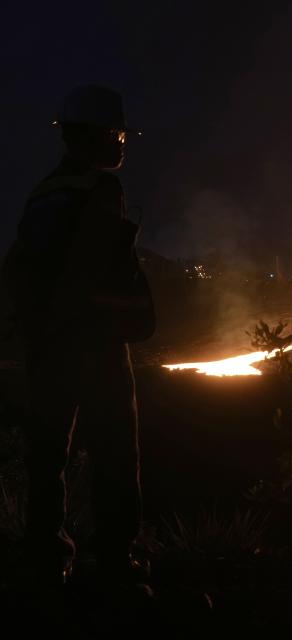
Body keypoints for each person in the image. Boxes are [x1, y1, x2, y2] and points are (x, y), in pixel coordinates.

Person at [1, 85, 155, 590]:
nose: (120, 143)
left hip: (46, 348)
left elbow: (21, 267)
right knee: (115, 450)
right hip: (93, 346)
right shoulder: (99, 190)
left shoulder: (44, 191)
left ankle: (45, 556)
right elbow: (93, 270)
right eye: (114, 134)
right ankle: (115, 562)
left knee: (47, 454)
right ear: (91, 137)